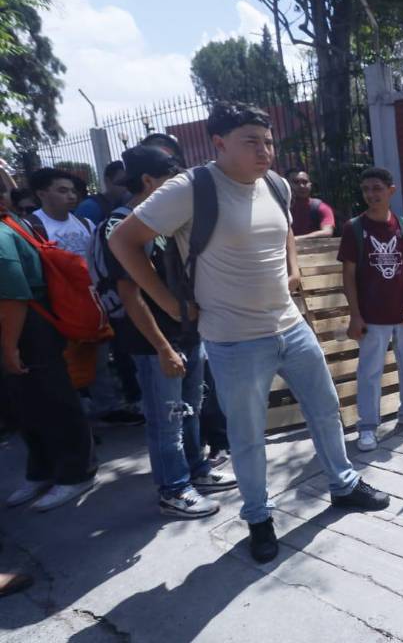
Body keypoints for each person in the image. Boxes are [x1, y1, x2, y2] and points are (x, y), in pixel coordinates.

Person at [109, 101, 390, 563]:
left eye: (269, 142)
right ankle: (258, 517)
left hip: (290, 326)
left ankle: (343, 484)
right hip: (234, 340)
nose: (265, 151)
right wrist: (170, 304)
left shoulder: (275, 184)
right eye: (252, 142)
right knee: (247, 435)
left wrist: (293, 266)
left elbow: (284, 230)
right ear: (219, 143)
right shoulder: (191, 188)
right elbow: (122, 240)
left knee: (325, 410)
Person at [103, 146, 238, 518]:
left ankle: (196, 470)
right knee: (167, 420)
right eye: (172, 178)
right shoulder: (121, 226)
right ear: (148, 181)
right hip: (155, 343)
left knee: (190, 410)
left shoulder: (162, 220)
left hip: (187, 334)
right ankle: (173, 489)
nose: (181, 186)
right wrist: (162, 348)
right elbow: (130, 296)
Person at [1, 202, 98, 511]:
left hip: (28, 329)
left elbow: (14, 297)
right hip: (20, 328)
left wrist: (9, 347)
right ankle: (42, 470)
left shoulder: (2, 233)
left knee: (54, 401)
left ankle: (76, 473)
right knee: (23, 405)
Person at [30, 168, 142, 426]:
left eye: (72, 191)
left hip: (94, 303)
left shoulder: (85, 224)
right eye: (62, 190)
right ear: (41, 193)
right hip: (60, 306)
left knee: (99, 357)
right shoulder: (33, 226)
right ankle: (74, 414)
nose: (71, 196)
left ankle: (107, 408)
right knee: (68, 361)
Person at [339, 168, 403, 453]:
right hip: (371, 316)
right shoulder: (354, 228)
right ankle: (368, 426)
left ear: (391, 191)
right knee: (370, 371)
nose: (371, 194)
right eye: (366, 189)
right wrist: (355, 314)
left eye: (377, 188)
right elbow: (348, 276)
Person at [286, 168, 337, 240]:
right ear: (287, 184)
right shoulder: (282, 208)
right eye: (296, 182)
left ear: (310, 184)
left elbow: (327, 232)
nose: (301, 186)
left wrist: (296, 239)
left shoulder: (320, 207)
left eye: (305, 182)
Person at [75, 161, 129, 225]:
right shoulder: (90, 207)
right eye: (121, 182)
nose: (126, 187)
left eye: (129, 183)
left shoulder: (126, 203)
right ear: (107, 181)